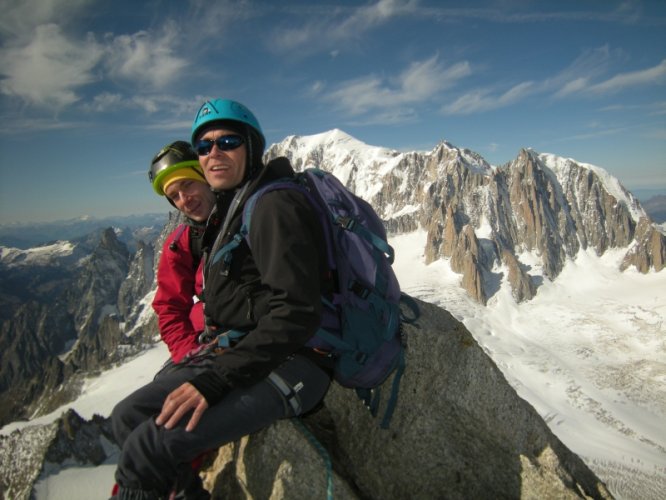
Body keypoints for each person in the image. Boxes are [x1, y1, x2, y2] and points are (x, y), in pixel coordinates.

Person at [111, 99, 333, 499]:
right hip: (249, 352)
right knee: (128, 417)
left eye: (227, 141)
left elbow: (296, 313)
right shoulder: (232, 209)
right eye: (204, 146)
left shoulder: (272, 205)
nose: (214, 152)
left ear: (250, 146)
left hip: (299, 360)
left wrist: (215, 380)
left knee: (149, 445)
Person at [148, 141, 215, 364]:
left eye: (187, 184)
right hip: (202, 345)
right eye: (175, 196)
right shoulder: (181, 242)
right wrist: (188, 354)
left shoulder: (255, 215)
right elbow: (169, 307)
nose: (184, 200)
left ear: (205, 177)